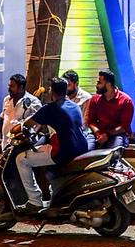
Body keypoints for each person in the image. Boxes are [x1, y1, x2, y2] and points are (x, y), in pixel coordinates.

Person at [16, 78, 89, 212]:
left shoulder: (50, 109)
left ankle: (34, 201)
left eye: (50, 88)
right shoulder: (74, 106)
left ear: (52, 91)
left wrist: (17, 129)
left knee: (21, 159)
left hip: (63, 151)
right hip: (81, 148)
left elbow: (28, 124)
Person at [85, 70, 135, 149]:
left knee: (113, 152)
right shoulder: (95, 99)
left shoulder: (126, 101)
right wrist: (98, 134)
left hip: (117, 134)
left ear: (108, 84)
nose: (97, 85)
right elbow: (91, 121)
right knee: (86, 150)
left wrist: (107, 134)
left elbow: (124, 127)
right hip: (98, 133)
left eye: (99, 83)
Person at [0, 73, 41, 148]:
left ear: (21, 87)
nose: (9, 88)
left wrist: (30, 136)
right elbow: (2, 118)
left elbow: (39, 123)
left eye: (12, 86)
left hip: (23, 145)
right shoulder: (7, 100)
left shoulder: (33, 102)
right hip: (6, 144)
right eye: (9, 86)